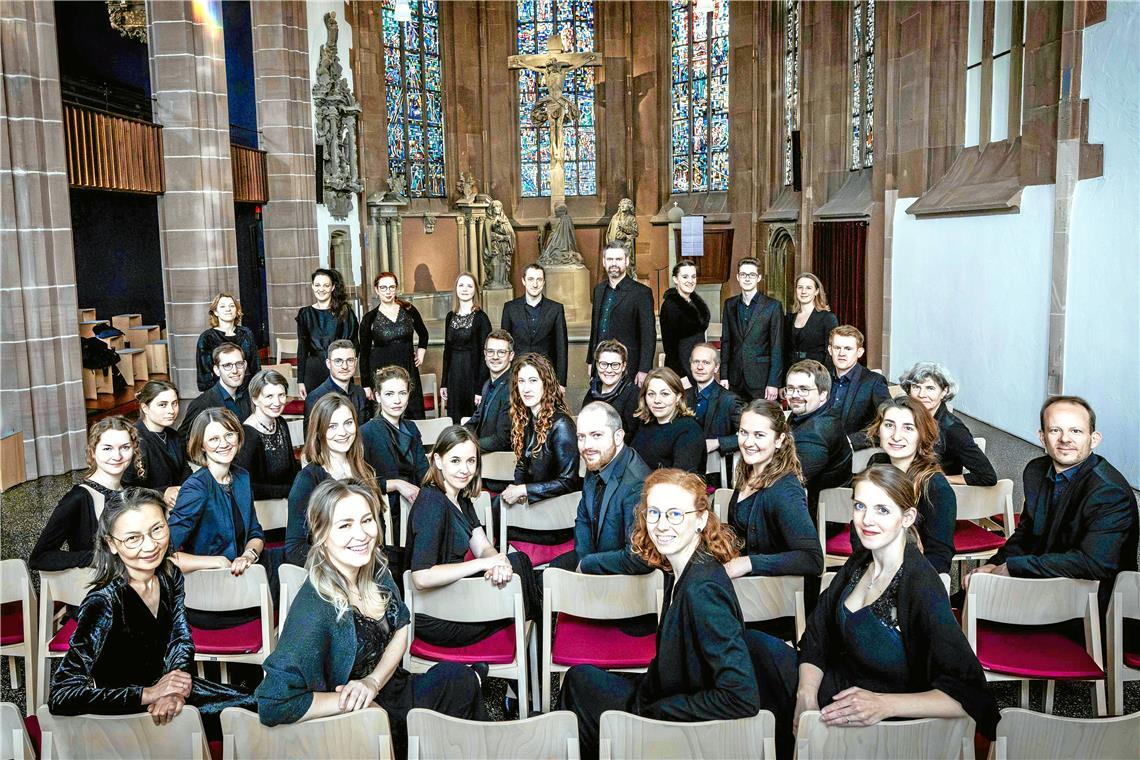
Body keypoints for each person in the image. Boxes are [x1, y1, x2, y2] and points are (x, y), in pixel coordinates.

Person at [749, 465, 1000, 759]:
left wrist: (883, 704)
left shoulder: (920, 584)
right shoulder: (862, 560)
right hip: (839, 691)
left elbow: (970, 693)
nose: (867, 520)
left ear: (907, 517)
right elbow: (817, 634)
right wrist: (806, 694)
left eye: (882, 510)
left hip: (885, 723)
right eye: (860, 506)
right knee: (752, 645)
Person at [256, 479, 484, 754]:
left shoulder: (374, 568)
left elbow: (402, 627)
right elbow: (273, 703)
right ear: (321, 534)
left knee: (459, 679)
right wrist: (354, 701)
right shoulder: (315, 607)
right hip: (357, 723)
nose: (361, 534)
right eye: (345, 525)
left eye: (367, 520)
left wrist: (373, 681)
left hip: (390, 687)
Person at [558, 469, 762, 760]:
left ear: (701, 519)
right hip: (664, 692)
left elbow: (741, 698)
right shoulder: (681, 569)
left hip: (678, 722)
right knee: (579, 678)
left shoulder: (703, 591)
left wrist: (657, 711)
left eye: (675, 514)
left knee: (581, 694)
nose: (662, 525)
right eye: (654, 513)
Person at [50, 489, 253, 731]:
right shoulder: (103, 601)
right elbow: (62, 694)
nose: (150, 546)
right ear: (111, 544)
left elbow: (180, 639)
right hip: (127, 718)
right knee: (251, 719)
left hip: (170, 696)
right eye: (133, 538)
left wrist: (175, 689)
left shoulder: (169, 574)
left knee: (263, 705)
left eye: (157, 529)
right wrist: (149, 693)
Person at [967, 396, 1138, 614]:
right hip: (1039, 583)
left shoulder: (1109, 491)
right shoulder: (1036, 471)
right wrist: (994, 564)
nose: (1065, 439)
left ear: (1094, 439)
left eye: (1076, 431)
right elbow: (1026, 533)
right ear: (1042, 437)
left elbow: (1092, 564)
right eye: (1055, 430)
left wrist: (1012, 568)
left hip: (1088, 607)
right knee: (958, 605)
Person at [405, 426, 539, 648]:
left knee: (518, 564)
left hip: (454, 596)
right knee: (520, 589)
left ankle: (531, 636)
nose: (464, 470)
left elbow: (483, 547)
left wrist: (497, 564)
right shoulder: (431, 502)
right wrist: (484, 564)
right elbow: (421, 577)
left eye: (471, 461)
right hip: (435, 616)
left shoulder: (461, 498)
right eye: (455, 461)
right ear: (438, 461)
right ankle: (535, 645)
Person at [724, 400, 823, 581]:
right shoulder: (748, 472)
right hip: (748, 585)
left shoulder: (785, 490)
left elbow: (812, 559)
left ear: (779, 440)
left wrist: (748, 563)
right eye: (743, 433)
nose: (748, 442)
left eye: (759, 435)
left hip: (773, 591)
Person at [549, 402, 652, 575]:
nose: (587, 445)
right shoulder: (598, 460)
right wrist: (583, 559)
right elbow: (583, 519)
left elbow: (638, 557)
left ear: (618, 437)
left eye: (596, 435)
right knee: (551, 574)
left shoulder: (637, 483)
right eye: (581, 437)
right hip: (597, 557)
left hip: (625, 575)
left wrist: (587, 565)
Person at [859, 397, 956, 574]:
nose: (896, 436)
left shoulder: (935, 487)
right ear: (878, 430)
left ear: (922, 435)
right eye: (889, 425)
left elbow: (939, 559)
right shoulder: (877, 466)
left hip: (912, 578)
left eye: (908, 428)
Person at [31, 417, 141, 571]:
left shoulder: (131, 491)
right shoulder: (77, 498)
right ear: (93, 452)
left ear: (134, 449)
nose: (117, 456)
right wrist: (99, 558)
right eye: (107, 448)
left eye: (125, 447)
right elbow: (39, 558)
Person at [286, 394, 380, 568]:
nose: (343, 432)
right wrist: (340, 564)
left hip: (365, 561)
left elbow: (376, 529)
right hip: (329, 569)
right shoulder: (307, 479)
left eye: (348, 423)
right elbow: (294, 549)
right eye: (332, 426)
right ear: (319, 432)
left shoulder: (365, 470)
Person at [500, 354, 580, 547]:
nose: (526, 388)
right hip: (534, 505)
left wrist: (524, 490)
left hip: (556, 517)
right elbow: (522, 464)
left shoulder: (562, 425)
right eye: (521, 381)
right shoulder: (526, 418)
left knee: (493, 521)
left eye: (533, 381)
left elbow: (568, 482)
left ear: (546, 384)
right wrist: (518, 491)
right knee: (492, 511)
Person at [899, 361, 997, 486]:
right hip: (905, 481)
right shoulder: (905, 415)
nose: (921, 395)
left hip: (930, 490)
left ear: (944, 391)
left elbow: (987, 476)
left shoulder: (953, 429)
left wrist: (943, 479)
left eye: (930, 388)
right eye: (916, 387)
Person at [359, 365, 429, 534]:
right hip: (385, 511)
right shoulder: (365, 433)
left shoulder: (411, 428)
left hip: (416, 506)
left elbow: (423, 472)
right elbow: (359, 483)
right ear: (377, 396)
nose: (397, 400)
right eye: (389, 394)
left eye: (402, 393)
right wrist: (396, 484)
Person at [359, 271, 430, 420]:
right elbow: (364, 354)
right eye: (383, 288)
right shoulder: (369, 318)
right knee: (386, 417)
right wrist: (366, 385)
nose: (388, 291)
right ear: (377, 289)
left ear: (396, 288)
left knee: (413, 416)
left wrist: (421, 352)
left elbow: (424, 334)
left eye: (391, 287)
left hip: (408, 370)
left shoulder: (409, 310)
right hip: (381, 374)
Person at [784, 360, 852, 507]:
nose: (795, 395)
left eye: (803, 389)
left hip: (819, 511)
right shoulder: (809, 412)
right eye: (790, 388)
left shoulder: (815, 434)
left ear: (822, 395)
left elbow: (788, 480)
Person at [587, 245, 656, 385]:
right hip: (601, 364)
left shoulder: (641, 293)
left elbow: (648, 334)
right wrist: (590, 361)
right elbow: (595, 329)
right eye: (610, 259)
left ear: (627, 261)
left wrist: (644, 369)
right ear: (604, 262)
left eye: (618, 259)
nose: (614, 263)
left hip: (629, 366)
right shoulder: (599, 290)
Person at [721, 257, 784, 402]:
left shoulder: (773, 306)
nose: (747, 278)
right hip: (735, 378)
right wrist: (724, 376)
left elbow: (777, 346)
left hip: (761, 379)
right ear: (738, 277)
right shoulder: (729, 305)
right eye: (743, 274)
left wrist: (773, 382)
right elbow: (726, 342)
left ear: (759, 278)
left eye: (752, 275)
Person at [123, 380, 191, 507]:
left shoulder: (174, 436)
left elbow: (185, 471)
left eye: (174, 403)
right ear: (145, 408)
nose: (171, 410)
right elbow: (126, 488)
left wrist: (186, 490)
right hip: (144, 507)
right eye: (162, 405)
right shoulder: (132, 440)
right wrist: (162, 492)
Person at [500, 263, 568, 388]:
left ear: (544, 282)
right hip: (517, 374)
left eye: (539, 279)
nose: (535, 284)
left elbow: (561, 347)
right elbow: (504, 346)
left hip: (546, 375)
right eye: (531, 279)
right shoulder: (510, 308)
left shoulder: (556, 309)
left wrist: (561, 382)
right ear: (523, 281)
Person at [684, 343, 742, 487]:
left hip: (717, 475)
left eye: (706, 362)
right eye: (696, 362)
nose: (700, 367)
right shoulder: (683, 397)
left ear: (716, 367)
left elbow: (748, 436)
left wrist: (717, 443)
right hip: (685, 471)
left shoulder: (730, 400)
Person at [235, 369, 298, 500]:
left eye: (281, 395)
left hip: (286, 499)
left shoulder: (280, 422)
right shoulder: (248, 434)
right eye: (269, 396)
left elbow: (291, 468)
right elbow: (245, 486)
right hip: (262, 506)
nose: (277, 402)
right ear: (255, 399)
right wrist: (289, 491)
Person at [296, 268, 359, 398]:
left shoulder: (344, 312)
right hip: (313, 371)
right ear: (312, 286)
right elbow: (302, 348)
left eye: (326, 285)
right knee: (315, 408)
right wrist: (300, 380)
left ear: (333, 287)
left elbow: (354, 344)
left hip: (339, 367)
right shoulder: (305, 313)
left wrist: (346, 366)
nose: (321, 289)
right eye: (317, 285)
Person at [630, 368, 705, 474]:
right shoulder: (646, 423)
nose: (657, 400)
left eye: (664, 394)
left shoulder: (690, 431)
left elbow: (679, 479)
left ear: (678, 397)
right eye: (651, 394)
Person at [826, 325, 890, 449]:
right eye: (837, 348)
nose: (841, 353)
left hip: (856, 453)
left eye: (848, 349)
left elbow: (888, 422)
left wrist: (851, 441)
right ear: (830, 350)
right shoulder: (822, 379)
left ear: (859, 352)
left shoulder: (874, 382)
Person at [441, 272, 492, 422]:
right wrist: (444, 383)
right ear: (456, 289)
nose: (464, 289)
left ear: (475, 290)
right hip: (454, 376)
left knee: (472, 420)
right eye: (461, 285)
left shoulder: (481, 318)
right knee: (455, 420)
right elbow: (447, 351)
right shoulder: (450, 317)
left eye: (469, 286)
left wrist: (480, 389)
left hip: (473, 375)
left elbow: (485, 356)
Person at [179, 343, 251, 439]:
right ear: (217, 370)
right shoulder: (202, 404)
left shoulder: (250, 397)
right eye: (227, 365)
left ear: (245, 365)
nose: (235, 370)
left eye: (239, 364)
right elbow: (184, 439)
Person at [194, 292, 260, 393]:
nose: (228, 309)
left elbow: (255, 366)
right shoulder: (207, 337)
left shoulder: (246, 333)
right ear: (215, 312)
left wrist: (256, 390)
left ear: (236, 310)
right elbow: (204, 375)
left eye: (232, 306)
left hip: (246, 391)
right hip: (219, 392)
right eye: (222, 306)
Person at [463, 330, 515, 454]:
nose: (495, 357)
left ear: (511, 356)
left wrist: (465, 447)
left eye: (501, 352)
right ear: (485, 355)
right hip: (483, 455)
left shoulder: (512, 388)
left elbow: (502, 439)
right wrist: (454, 439)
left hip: (501, 460)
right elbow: (475, 420)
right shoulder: (487, 384)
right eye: (490, 351)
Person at [659, 259, 710, 380]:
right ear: (675, 279)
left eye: (693, 277)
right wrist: (682, 378)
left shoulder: (695, 302)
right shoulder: (670, 306)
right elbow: (670, 347)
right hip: (681, 369)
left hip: (698, 365)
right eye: (685, 277)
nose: (690, 281)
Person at [303, 339, 370, 430]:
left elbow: (365, 430)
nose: (345, 366)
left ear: (355, 362)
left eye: (350, 360)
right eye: (338, 361)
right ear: (328, 364)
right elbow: (311, 436)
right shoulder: (315, 398)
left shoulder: (360, 392)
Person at [581, 340, 641, 439]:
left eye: (615, 365)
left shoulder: (633, 395)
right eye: (604, 364)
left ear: (623, 366)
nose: (609, 370)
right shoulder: (592, 392)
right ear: (597, 365)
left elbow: (635, 436)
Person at [784, 273, 838, 373]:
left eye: (808, 288)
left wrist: (825, 377)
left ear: (816, 291)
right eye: (800, 287)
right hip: (791, 373)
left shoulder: (827, 318)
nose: (803, 291)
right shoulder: (788, 318)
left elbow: (831, 352)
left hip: (816, 373)